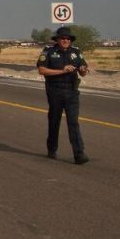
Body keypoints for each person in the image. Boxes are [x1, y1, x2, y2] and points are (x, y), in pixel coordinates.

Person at [36, 26, 90, 164]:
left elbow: (83, 71)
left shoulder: (76, 52)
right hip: (55, 91)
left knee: (73, 122)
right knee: (54, 121)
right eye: (63, 38)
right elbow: (42, 70)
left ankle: (79, 154)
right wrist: (62, 70)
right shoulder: (49, 52)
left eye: (68, 38)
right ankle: (52, 148)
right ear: (57, 39)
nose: (66, 40)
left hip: (72, 91)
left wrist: (83, 70)